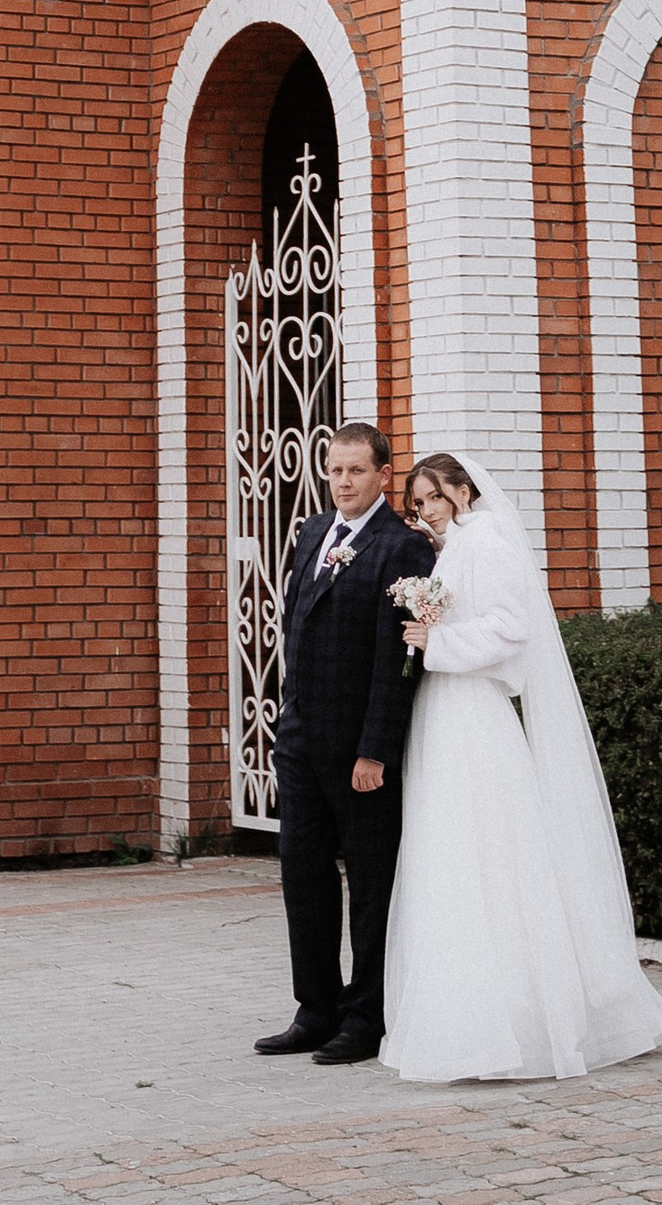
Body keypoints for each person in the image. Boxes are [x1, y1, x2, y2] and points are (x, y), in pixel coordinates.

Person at [378, 452, 662, 1084]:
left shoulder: (489, 544)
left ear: (463, 491)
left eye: (434, 497)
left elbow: (512, 631)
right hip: (444, 710)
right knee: (453, 851)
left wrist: (438, 642)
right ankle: (467, 1015)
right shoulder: (458, 546)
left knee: (488, 850)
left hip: (473, 716)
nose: (426, 510)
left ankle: (519, 1020)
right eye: (418, 502)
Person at [252, 418, 432, 1067]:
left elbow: (399, 660)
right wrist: (286, 722)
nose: (343, 482)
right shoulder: (311, 532)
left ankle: (366, 1017)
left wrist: (375, 750)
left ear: (384, 475)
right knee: (303, 874)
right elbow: (295, 628)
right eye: (334, 470)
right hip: (301, 739)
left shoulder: (402, 548)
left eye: (357, 470)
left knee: (371, 883)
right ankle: (315, 1009)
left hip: (360, 750)